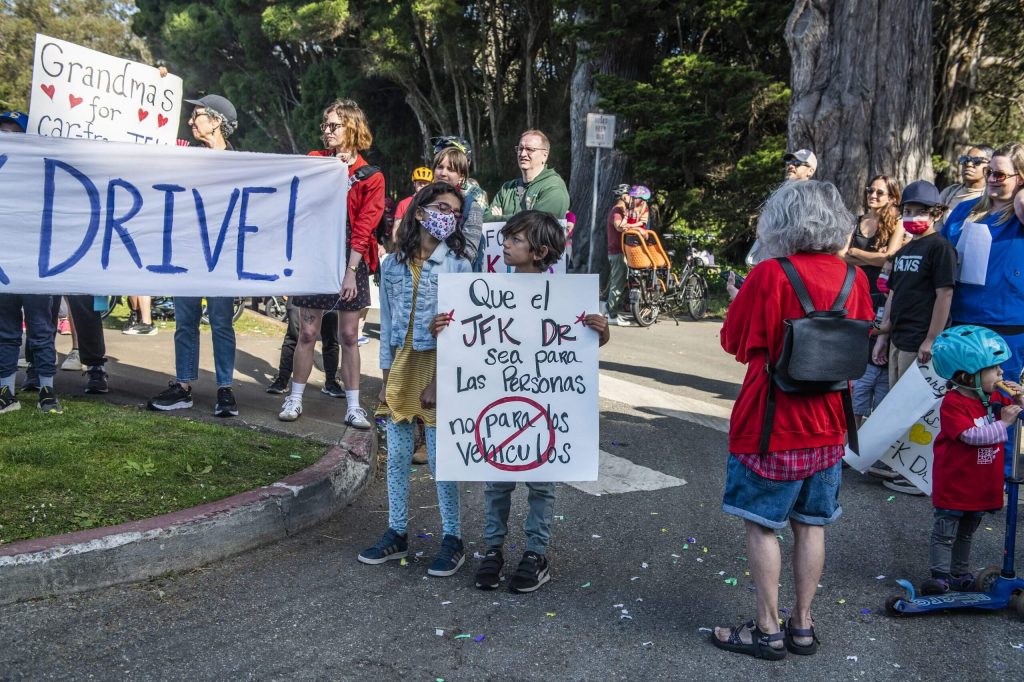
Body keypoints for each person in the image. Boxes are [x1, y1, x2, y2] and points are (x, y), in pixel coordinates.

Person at [713, 180, 872, 660]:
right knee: (811, 524)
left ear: (781, 221)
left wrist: (741, 299)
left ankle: (767, 629)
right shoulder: (855, 279)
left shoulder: (769, 274)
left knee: (763, 526)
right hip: (830, 425)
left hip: (771, 424)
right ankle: (802, 624)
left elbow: (734, 342)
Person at [451, 210, 609, 593]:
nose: (505, 244)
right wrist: (445, 327)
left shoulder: (566, 298)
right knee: (497, 480)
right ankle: (493, 550)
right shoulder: (487, 293)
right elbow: (468, 341)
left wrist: (601, 333)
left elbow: (584, 347)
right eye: (505, 237)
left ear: (539, 252)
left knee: (542, 484)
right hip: (500, 404)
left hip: (546, 406)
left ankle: (535, 555)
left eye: (515, 239)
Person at [357, 182, 471, 576]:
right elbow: (387, 325)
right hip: (401, 370)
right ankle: (397, 531)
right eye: (443, 207)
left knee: (441, 460)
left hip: (438, 371)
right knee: (398, 457)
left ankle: (453, 539)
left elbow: (462, 334)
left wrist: (439, 382)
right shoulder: (391, 265)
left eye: (455, 212)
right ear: (420, 212)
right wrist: (386, 379)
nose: (448, 217)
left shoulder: (458, 266)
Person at [277, 99, 384, 427]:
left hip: (351, 260)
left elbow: (365, 227)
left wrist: (350, 272)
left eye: (333, 125)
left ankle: (353, 407)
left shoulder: (371, 176)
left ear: (352, 127)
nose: (326, 131)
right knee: (307, 331)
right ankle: (294, 398)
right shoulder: (316, 161)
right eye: (324, 125)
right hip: (317, 257)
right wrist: (329, 170)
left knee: (349, 335)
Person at [148, 94, 240, 417]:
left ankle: (225, 390)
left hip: (221, 257)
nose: (190, 121)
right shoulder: (184, 155)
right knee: (185, 321)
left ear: (216, 121)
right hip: (186, 253)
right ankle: (183, 386)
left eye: (197, 115)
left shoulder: (244, 163)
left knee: (221, 322)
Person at [921, 325, 1021, 594]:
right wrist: (1004, 423)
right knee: (945, 531)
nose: (1001, 373)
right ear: (967, 376)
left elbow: (1019, 412)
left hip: (980, 484)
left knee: (967, 532)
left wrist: (1019, 397)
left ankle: (959, 572)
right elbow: (970, 436)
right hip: (955, 483)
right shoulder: (953, 402)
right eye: (994, 369)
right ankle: (940, 575)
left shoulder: (994, 397)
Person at [872, 180, 957, 495]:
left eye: (920, 211)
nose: (912, 216)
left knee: (917, 408)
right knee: (898, 404)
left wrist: (932, 339)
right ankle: (898, 464)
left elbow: (944, 294)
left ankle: (918, 475)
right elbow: (893, 293)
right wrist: (884, 334)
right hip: (898, 337)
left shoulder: (941, 248)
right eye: (907, 211)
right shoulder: (905, 250)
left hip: (921, 339)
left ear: (936, 213)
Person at [942, 142, 1024, 401]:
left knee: (1001, 406)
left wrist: (1020, 194)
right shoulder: (965, 209)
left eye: (999, 174)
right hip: (961, 321)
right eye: (989, 171)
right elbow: (940, 255)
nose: (990, 179)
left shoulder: (1019, 212)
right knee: (960, 406)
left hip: (1005, 325)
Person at [840, 176, 905, 423]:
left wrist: (857, 252)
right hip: (854, 290)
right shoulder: (856, 221)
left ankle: (870, 418)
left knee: (875, 345)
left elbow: (889, 257)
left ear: (892, 198)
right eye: (870, 190)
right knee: (852, 344)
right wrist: (873, 256)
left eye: (880, 192)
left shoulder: (897, 223)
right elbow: (841, 255)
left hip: (881, 295)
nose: (873, 195)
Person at [736, 150, 819, 277]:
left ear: (810, 171)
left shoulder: (811, 197)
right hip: (767, 263)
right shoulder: (783, 192)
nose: (791, 166)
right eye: (790, 162)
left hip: (786, 268)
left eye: (797, 163)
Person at [431, 136, 486, 270]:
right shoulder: (421, 201)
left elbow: (469, 253)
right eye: (440, 167)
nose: (443, 173)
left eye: (450, 169)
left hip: (455, 277)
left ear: (461, 176)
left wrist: (432, 262)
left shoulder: (470, 206)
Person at [266, 301, 340, 398]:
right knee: (294, 334)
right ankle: (282, 379)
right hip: (300, 295)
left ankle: (331, 382)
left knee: (330, 338)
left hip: (330, 296)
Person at [489, 130, 570, 220]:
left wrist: (500, 219)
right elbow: (486, 219)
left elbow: (537, 222)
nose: (523, 154)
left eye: (529, 149)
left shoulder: (553, 186)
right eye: (520, 148)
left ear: (545, 155)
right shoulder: (507, 188)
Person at [938, 145, 993, 224]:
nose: (969, 164)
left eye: (977, 161)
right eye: (965, 159)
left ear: (991, 166)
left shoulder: (991, 198)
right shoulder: (949, 192)